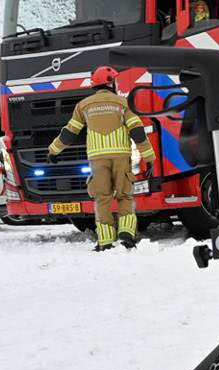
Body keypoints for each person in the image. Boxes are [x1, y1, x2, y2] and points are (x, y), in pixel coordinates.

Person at [48, 66, 154, 251]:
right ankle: (126, 235)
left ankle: (105, 241)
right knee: (124, 195)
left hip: (97, 160)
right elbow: (137, 131)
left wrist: (53, 151)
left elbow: (69, 133)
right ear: (112, 83)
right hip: (121, 156)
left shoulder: (83, 105)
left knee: (102, 199)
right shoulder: (123, 103)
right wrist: (148, 156)